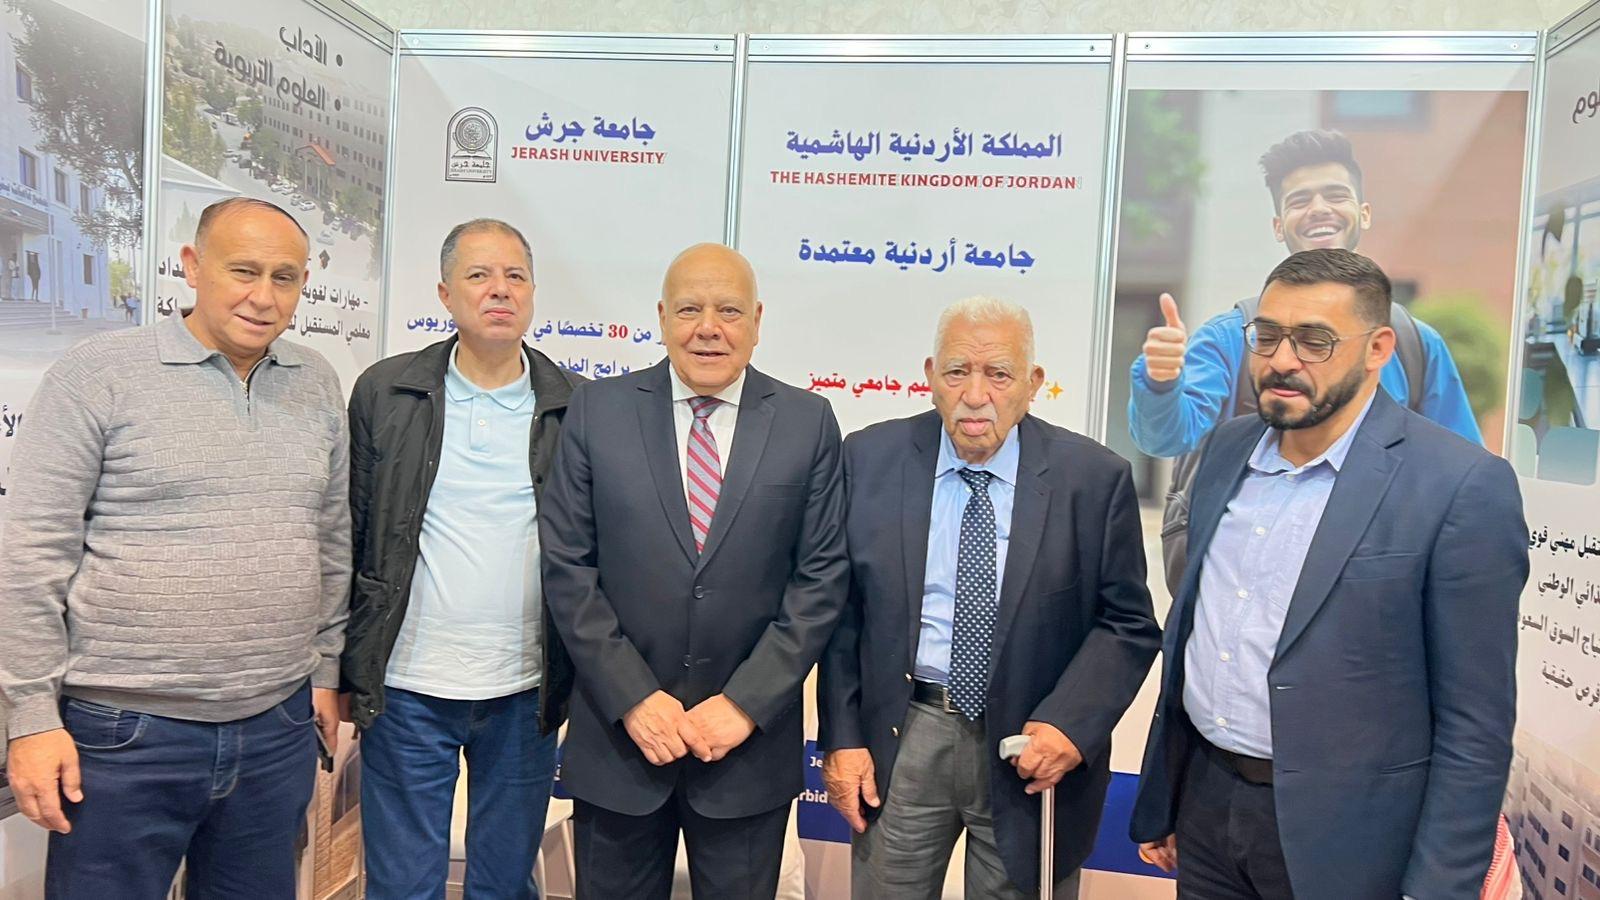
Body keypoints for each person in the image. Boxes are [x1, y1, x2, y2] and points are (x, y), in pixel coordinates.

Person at [1129, 249, 1528, 900]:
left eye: (1315, 341)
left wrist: (1439, 887)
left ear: (1378, 349)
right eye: (1266, 336)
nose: (1282, 359)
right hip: (1206, 808)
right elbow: (1198, 635)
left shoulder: (1460, 486)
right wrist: (1169, 798)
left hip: (1350, 843)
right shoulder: (1225, 451)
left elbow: (1474, 726)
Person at [0, 196, 350, 898]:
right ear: (192, 266)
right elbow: (30, 553)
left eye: (284, 277)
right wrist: (31, 717)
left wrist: (326, 667)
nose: (263, 296)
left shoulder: (314, 381)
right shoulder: (99, 373)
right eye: (243, 271)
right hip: (123, 736)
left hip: (277, 727)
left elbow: (330, 538)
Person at [819, 296, 1160, 898]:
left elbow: (1126, 624)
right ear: (931, 376)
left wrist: (1070, 725)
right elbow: (843, 612)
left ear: (1033, 383)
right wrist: (843, 739)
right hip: (903, 734)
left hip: (1030, 749)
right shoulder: (869, 459)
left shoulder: (1092, 479)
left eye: (999, 374)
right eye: (957, 371)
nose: (975, 395)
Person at [539, 243, 849, 898]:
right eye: (689, 310)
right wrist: (633, 697)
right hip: (620, 747)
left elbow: (819, 580)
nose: (708, 327)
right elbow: (568, 565)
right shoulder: (597, 410)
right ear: (661, 317)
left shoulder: (808, 422)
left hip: (745, 756)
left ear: (757, 321)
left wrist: (744, 704)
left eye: (728, 310)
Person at [339, 218, 583, 898]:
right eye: (479, 275)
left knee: (504, 885)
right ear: (445, 293)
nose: (499, 290)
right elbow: (352, 532)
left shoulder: (576, 405)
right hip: (407, 689)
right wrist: (341, 668)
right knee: (402, 886)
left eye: (514, 276)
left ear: (532, 292)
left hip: (525, 692)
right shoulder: (385, 392)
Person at [1129, 129, 1481, 459]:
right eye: (1299, 200)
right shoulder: (1229, 338)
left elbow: (1459, 461)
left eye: (1336, 195)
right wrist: (1161, 381)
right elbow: (1165, 439)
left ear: (1364, 214)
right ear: (1278, 226)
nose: (1319, 209)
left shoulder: (1415, 345)